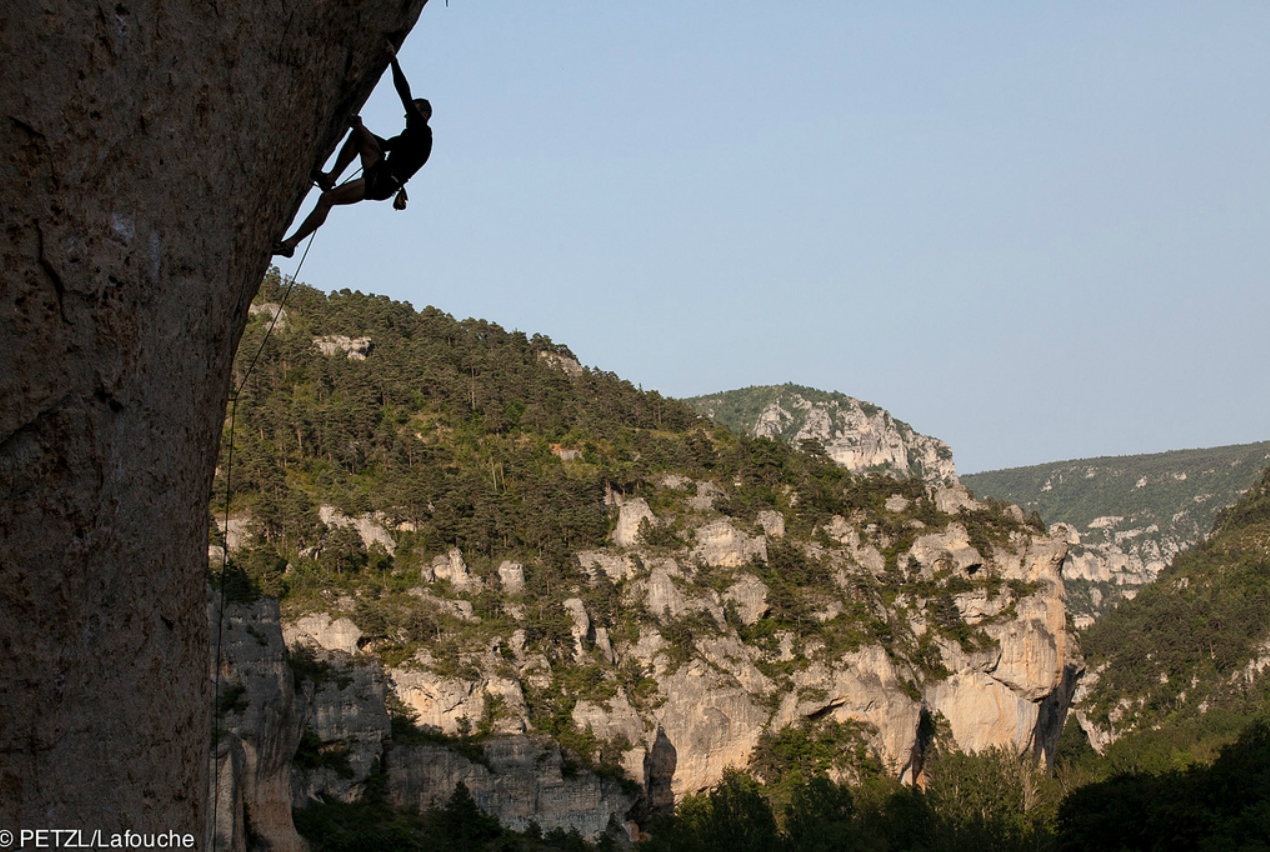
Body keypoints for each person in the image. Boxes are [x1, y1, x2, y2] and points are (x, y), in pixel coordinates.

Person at [273, 40, 432, 257]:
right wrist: (358, 126)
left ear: (423, 115)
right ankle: (330, 177)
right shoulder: (411, 137)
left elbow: (403, 92)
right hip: (382, 173)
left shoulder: (422, 134)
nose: (406, 116)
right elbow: (383, 145)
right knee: (358, 135)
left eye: (412, 113)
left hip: (382, 182)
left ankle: (292, 243)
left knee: (327, 199)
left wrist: (393, 60)